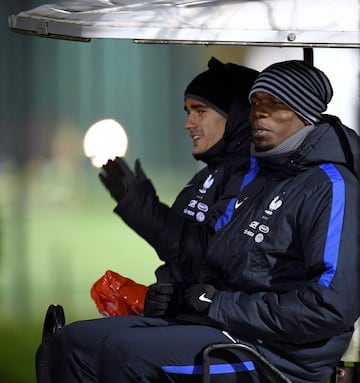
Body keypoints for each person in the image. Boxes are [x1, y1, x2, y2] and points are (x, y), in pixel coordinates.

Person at [42, 60, 359, 383]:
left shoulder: (330, 185)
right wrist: (176, 297)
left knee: (125, 354)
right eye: (255, 102)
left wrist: (216, 303)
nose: (259, 113)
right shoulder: (264, 178)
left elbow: (331, 307)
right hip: (228, 329)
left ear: (304, 113)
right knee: (71, 345)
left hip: (279, 356)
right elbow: (215, 264)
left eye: (275, 103)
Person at [97, 57, 260, 288]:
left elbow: (207, 258)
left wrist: (142, 208)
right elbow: (178, 253)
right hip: (183, 311)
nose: (188, 123)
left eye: (200, 111)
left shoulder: (250, 173)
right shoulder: (211, 173)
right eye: (188, 111)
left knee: (76, 328)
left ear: (235, 115)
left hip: (209, 317)